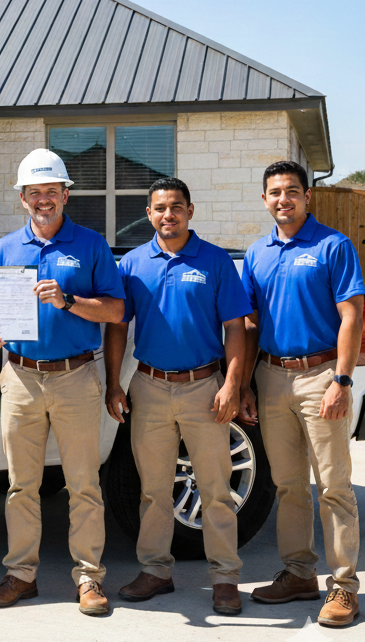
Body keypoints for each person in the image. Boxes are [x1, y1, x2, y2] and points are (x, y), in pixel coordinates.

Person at [0, 148, 125, 617]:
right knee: (21, 485)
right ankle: (21, 575)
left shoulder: (92, 245)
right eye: (34, 192)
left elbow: (116, 311)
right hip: (20, 377)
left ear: (65, 194)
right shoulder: (5, 249)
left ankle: (89, 578)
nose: (43, 199)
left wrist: (68, 301)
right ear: (22, 198)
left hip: (75, 377)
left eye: (51, 191)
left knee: (83, 484)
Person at [105, 177, 249, 616]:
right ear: (148, 213)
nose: (169, 214)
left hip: (204, 387)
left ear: (190, 211)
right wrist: (114, 383)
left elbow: (236, 328)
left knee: (215, 489)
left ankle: (225, 578)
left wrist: (231, 385)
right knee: (153, 490)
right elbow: (117, 327)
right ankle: (155, 571)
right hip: (148, 387)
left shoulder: (215, 260)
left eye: (177, 206)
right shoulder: (132, 264)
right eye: (160, 207)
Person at [238, 160, 364, 627]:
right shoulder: (257, 254)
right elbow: (250, 323)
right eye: (274, 192)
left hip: (321, 375)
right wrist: (246, 383)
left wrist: (342, 381)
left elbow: (352, 315)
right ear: (264, 199)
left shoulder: (333, 245)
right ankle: (299, 574)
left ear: (307, 196)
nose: (283, 199)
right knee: (289, 485)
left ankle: (344, 586)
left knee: (333, 487)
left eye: (291, 190)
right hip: (272, 377)